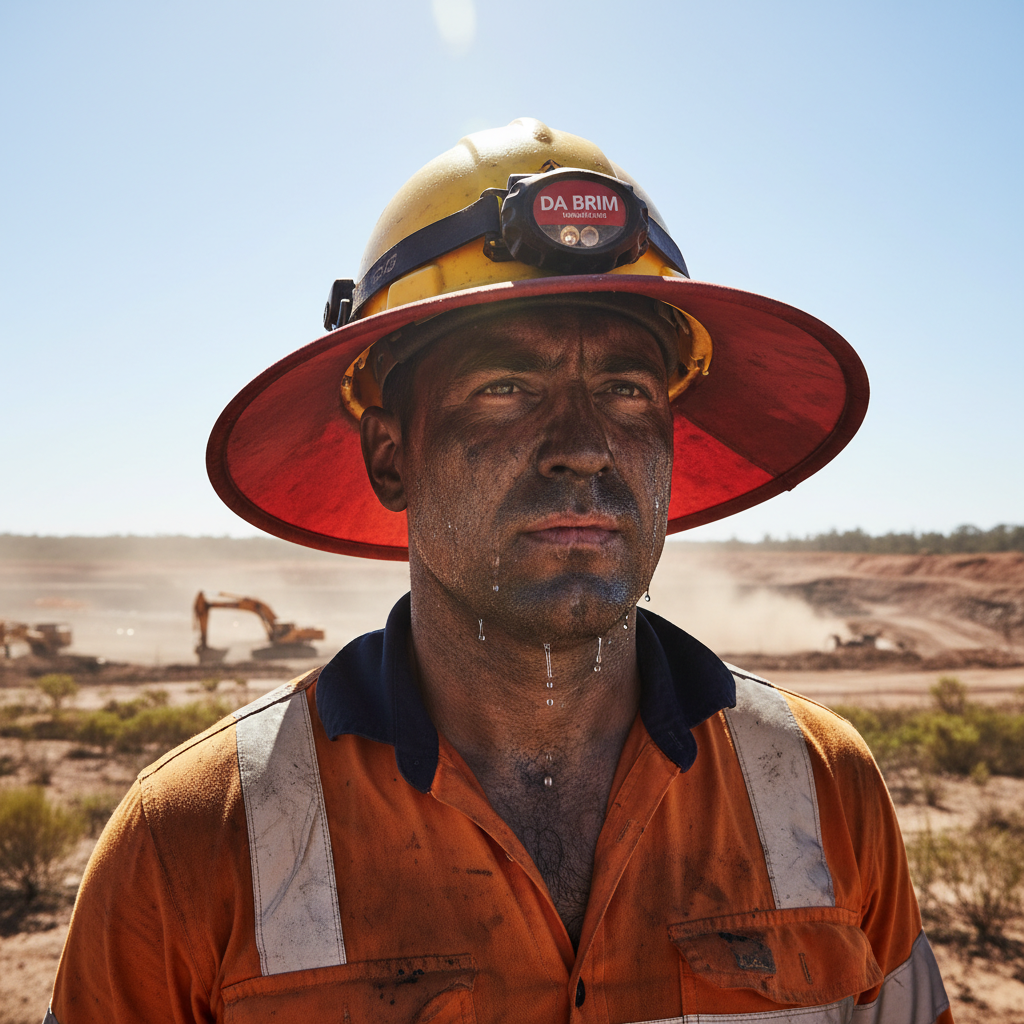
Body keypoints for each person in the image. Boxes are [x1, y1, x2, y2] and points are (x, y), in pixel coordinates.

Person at [46, 119, 952, 1023]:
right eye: (506, 388)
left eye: (628, 390)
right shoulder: (191, 841)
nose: (584, 449)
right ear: (392, 454)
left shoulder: (826, 788)